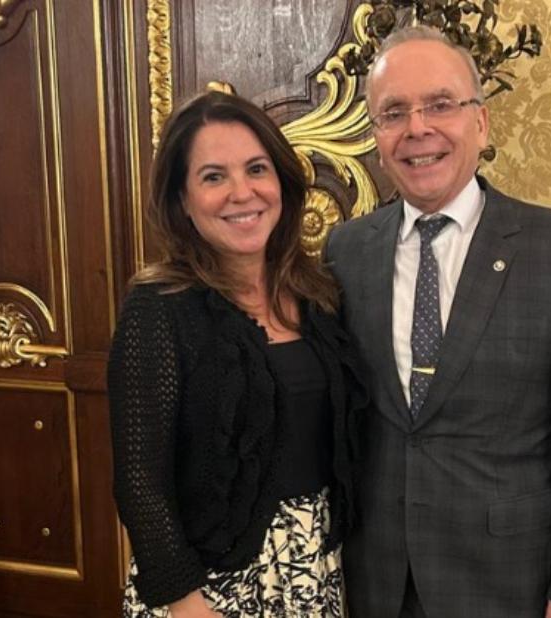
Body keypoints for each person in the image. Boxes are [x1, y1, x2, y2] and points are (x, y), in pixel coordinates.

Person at [325, 26, 551, 618]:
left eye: (440, 105)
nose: (417, 128)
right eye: (394, 112)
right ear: (376, 135)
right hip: (376, 580)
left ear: (481, 122)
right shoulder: (346, 251)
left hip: (510, 585)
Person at [108, 91, 364, 618]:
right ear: (182, 200)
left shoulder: (319, 295)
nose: (242, 192)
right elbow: (140, 482)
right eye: (213, 176)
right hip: (208, 586)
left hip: (315, 568)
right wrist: (186, 602)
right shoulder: (158, 308)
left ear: (282, 182)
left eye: (256, 169)